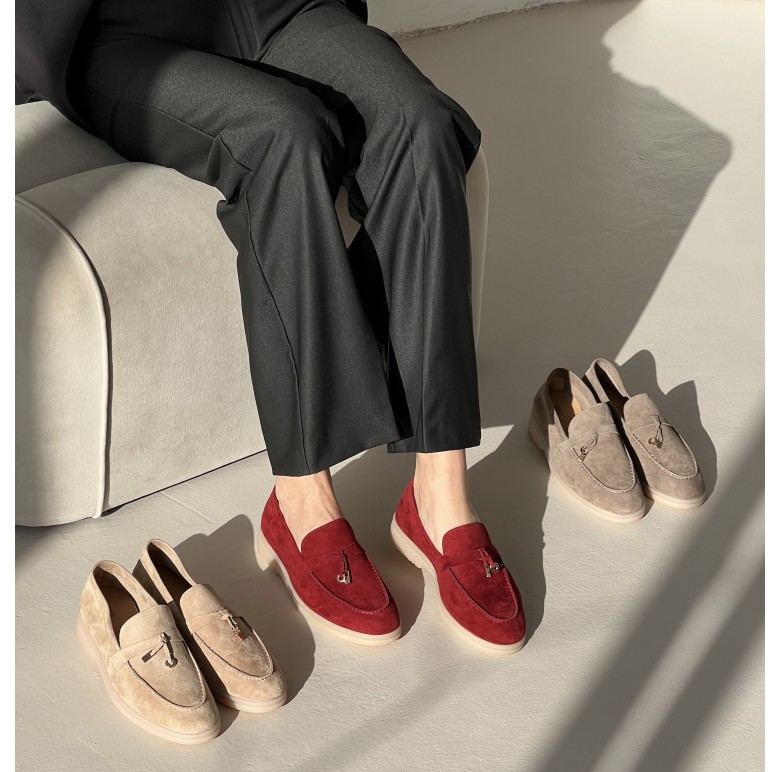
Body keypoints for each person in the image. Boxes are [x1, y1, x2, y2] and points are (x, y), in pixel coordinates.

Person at [17, 0, 526, 652]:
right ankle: (301, 501)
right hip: (126, 34)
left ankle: (440, 493)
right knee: (284, 134)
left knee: (419, 122)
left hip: (277, 9)